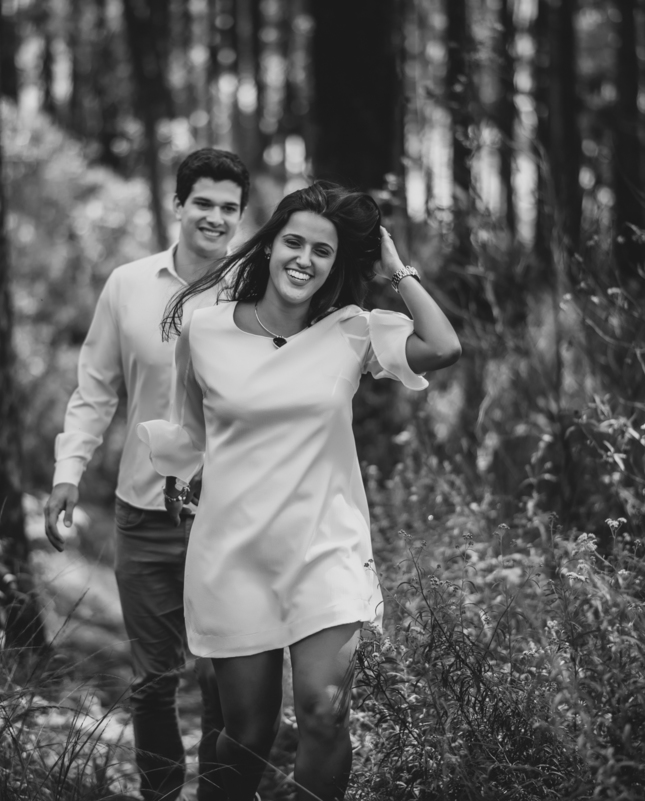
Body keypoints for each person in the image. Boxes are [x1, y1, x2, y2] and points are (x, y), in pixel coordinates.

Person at [138, 182, 461, 801]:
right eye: (294, 242)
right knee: (248, 734)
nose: (304, 259)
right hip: (234, 554)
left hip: (325, 548)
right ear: (269, 245)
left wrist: (396, 270)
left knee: (325, 711)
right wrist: (181, 478)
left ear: (337, 265)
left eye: (323, 251)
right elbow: (194, 431)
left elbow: (444, 346)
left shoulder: (352, 331)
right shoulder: (205, 331)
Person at [44, 148, 251, 801]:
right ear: (179, 204)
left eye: (229, 208)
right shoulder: (128, 286)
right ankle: (159, 794)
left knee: (223, 681)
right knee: (154, 680)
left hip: (230, 516)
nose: (215, 217)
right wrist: (69, 470)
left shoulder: (254, 290)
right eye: (204, 203)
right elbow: (96, 388)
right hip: (144, 513)